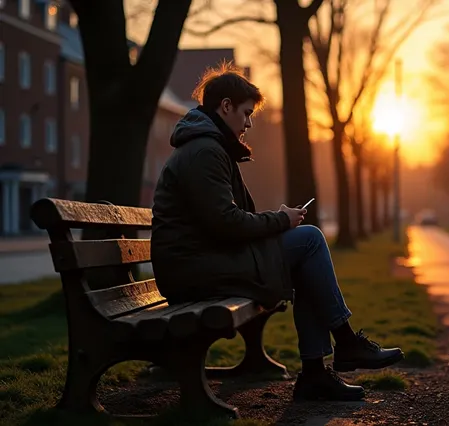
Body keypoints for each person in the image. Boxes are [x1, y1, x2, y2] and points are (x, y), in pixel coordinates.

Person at [150, 62, 403, 401]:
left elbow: (226, 221)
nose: (249, 124)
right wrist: (281, 221)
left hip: (203, 262)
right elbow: (226, 223)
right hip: (195, 271)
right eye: (245, 113)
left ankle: (320, 369)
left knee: (305, 252)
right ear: (225, 107)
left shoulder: (207, 148)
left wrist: (278, 221)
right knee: (310, 241)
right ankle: (342, 345)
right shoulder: (204, 152)